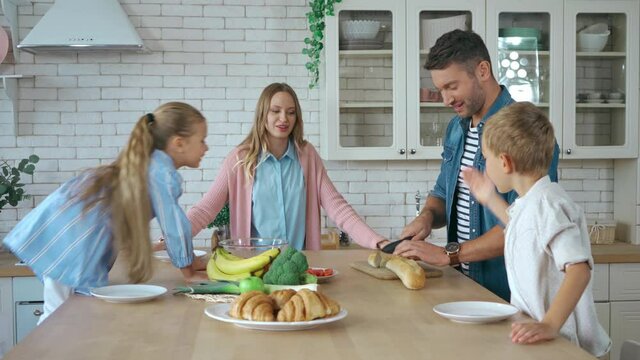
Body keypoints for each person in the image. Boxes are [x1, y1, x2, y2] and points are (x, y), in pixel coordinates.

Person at [3, 102, 209, 323]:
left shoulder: (146, 163)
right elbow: (174, 225)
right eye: (202, 141)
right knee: (59, 317)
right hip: (75, 239)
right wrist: (188, 271)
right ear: (179, 143)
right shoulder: (162, 172)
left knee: (61, 311)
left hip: (64, 230)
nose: (205, 148)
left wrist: (184, 259)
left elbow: (127, 214)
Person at [395, 29, 559, 301]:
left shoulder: (525, 130)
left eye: (452, 86)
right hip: (462, 286)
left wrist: (449, 253)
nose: (446, 99)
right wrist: (425, 218)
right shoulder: (456, 129)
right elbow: (443, 193)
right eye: (440, 90)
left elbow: (528, 225)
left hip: (508, 294)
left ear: (482, 70)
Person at [461, 102, 610, 357]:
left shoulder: (548, 206)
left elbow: (579, 270)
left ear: (505, 162)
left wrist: (549, 324)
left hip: (572, 346)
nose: (485, 167)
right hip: (550, 342)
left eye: (486, 159)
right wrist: (489, 197)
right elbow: (521, 228)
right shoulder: (532, 202)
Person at [187, 82, 388, 250]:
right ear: (263, 115)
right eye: (276, 111)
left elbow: (338, 208)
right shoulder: (240, 160)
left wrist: (377, 242)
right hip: (253, 269)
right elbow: (206, 209)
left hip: (299, 265)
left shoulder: (307, 156)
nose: (284, 119)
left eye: (290, 113)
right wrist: (171, 239)